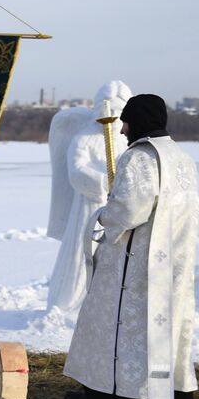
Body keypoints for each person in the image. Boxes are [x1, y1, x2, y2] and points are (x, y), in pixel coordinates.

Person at [63, 94, 199, 399]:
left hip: (133, 267)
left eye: (126, 121)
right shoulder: (183, 158)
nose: (122, 129)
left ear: (139, 121)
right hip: (172, 267)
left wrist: (102, 215)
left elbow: (128, 211)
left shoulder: (139, 157)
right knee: (163, 335)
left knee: (113, 327)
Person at [45, 80, 133, 311]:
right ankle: (69, 303)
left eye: (119, 111)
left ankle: (107, 305)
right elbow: (76, 171)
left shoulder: (125, 140)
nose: (113, 116)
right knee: (83, 252)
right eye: (109, 110)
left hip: (119, 209)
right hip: (89, 205)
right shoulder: (84, 137)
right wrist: (103, 182)